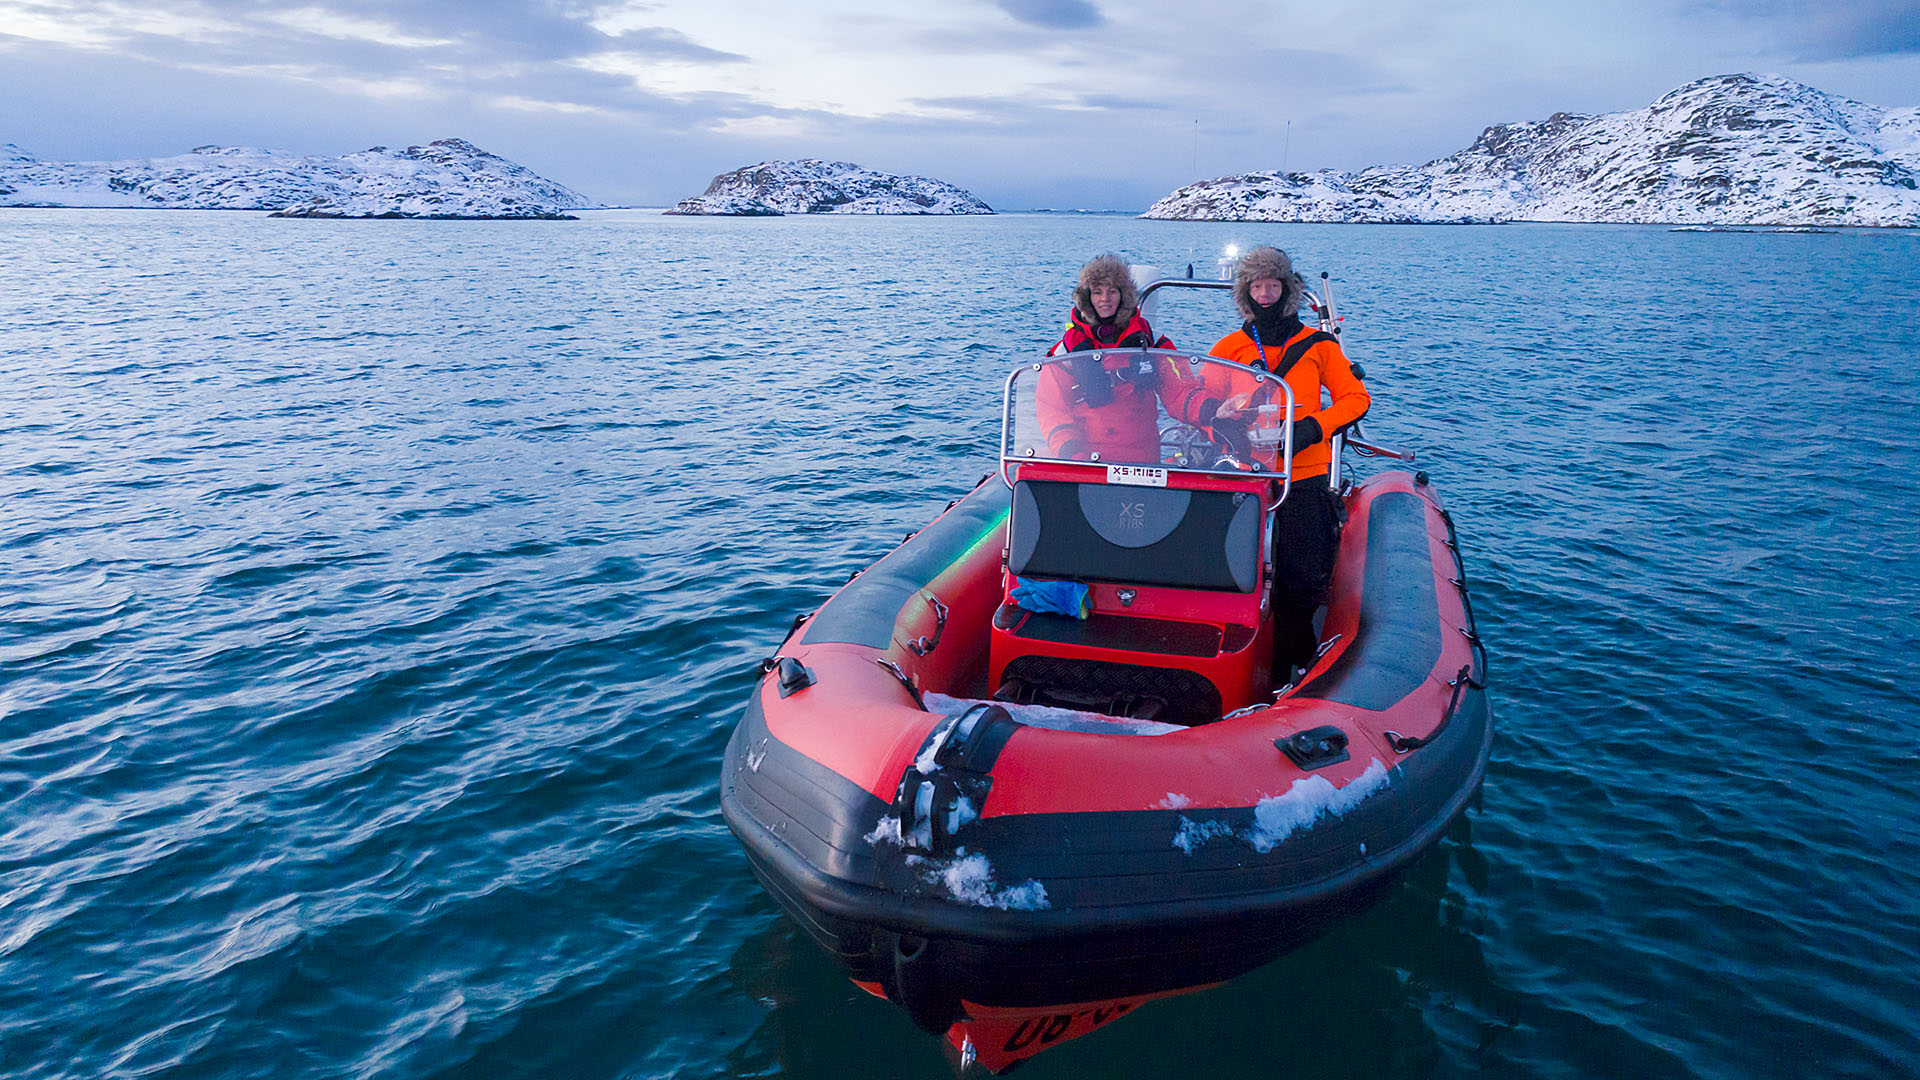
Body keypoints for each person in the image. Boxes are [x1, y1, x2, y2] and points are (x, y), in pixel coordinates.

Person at [1206, 246, 1371, 681]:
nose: (1265, 293)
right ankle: (1240, 665)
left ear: (1287, 289)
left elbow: (1356, 399)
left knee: (1301, 579)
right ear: (1246, 292)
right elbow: (1203, 408)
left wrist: (1312, 429)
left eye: (1273, 285)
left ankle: (1293, 666)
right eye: (1257, 285)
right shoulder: (1228, 349)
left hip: (1305, 477)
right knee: (1236, 577)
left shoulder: (1319, 346)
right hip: (1246, 477)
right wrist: (1223, 429)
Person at [1034, 254, 1214, 463]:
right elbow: (1051, 408)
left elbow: (1181, 390)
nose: (1105, 299)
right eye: (1097, 292)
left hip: (1143, 460)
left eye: (1112, 291)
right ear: (1086, 297)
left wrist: (1211, 410)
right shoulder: (1065, 352)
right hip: (1087, 461)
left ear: (1124, 295)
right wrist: (1070, 451)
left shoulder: (1152, 343)